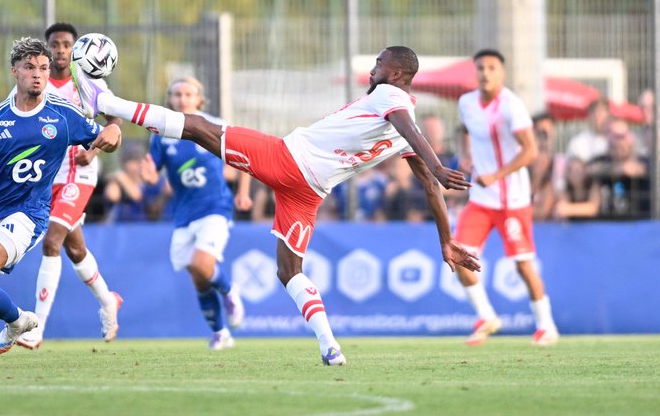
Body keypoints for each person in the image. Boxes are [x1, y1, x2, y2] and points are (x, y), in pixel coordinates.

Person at [69, 44, 479, 366]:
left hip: (289, 160)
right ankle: (330, 346)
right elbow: (428, 187)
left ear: (396, 73)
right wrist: (446, 240)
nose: (373, 68)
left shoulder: (392, 97)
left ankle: (107, 102)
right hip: (309, 193)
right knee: (288, 271)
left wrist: (440, 166)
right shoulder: (399, 118)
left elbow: (421, 154)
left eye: (378, 62)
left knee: (197, 126)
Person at [0, 36, 117, 371]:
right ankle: (18, 320)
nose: (38, 74)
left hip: (30, 212)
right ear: (15, 71)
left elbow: (102, 136)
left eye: (43, 67)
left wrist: (112, 136)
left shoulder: (63, 114)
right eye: (29, 67)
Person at [18, 23, 125, 349]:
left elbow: (115, 120)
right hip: (48, 174)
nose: (61, 50)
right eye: (55, 45)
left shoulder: (88, 80)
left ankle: (37, 328)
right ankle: (109, 301)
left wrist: (92, 150)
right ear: (48, 49)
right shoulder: (38, 83)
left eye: (66, 44)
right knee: (75, 249)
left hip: (79, 174)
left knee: (52, 241)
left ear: (76, 48)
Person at [453, 49, 560, 347]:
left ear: (501, 73)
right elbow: (465, 130)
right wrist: (465, 155)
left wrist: (497, 175)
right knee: (458, 255)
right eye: (480, 68)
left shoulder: (512, 106)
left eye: (491, 68)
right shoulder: (467, 103)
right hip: (482, 200)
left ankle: (546, 325)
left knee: (523, 265)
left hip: (513, 200)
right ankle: (487, 316)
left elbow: (530, 151)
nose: (485, 73)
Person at [141, 76, 252, 350]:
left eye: (188, 94)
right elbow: (153, 175)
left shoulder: (214, 126)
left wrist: (243, 192)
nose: (182, 99)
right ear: (170, 99)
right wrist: (149, 177)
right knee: (198, 277)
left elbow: (243, 157)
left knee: (201, 264)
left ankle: (229, 291)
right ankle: (221, 333)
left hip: (215, 207)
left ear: (199, 99)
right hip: (184, 213)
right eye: (177, 94)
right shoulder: (161, 132)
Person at [565, 98, 612, 166]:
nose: (598, 118)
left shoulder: (618, 141)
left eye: (602, 113)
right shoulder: (578, 142)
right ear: (589, 117)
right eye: (594, 113)